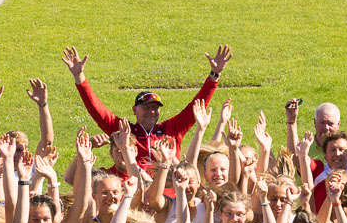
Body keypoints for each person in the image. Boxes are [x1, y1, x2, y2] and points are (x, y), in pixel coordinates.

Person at [64, 41, 229, 148]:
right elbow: (97, 109)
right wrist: (79, 78)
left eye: (155, 108)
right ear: (134, 110)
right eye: (147, 107)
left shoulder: (172, 129)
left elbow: (196, 107)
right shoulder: (123, 131)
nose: (152, 111)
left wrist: (214, 75)